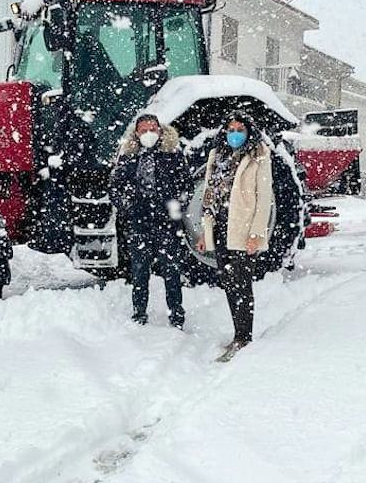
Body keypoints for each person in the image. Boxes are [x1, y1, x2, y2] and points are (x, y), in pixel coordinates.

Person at [196, 111, 275, 362]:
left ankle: (244, 336)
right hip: (220, 227)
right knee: (229, 283)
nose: (235, 134)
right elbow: (208, 196)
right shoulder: (216, 155)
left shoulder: (259, 155)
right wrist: (204, 231)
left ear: (249, 132)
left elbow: (264, 198)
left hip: (242, 229)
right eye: (231, 130)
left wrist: (256, 234)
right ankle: (237, 334)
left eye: (240, 130)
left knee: (242, 283)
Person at [110, 113, 193, 328]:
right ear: (136, 133)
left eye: (152, 129)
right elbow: (115, 187)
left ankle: (176, 315)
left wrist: (176, 207)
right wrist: (127, 206)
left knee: (172, 272)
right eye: (144, 130)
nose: (149, 134)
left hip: (167, 225)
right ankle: (139, 313)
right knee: (139, 272)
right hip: (139, 224)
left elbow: (187, 187)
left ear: (160, 130)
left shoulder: (173, 155)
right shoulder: (128, 157)